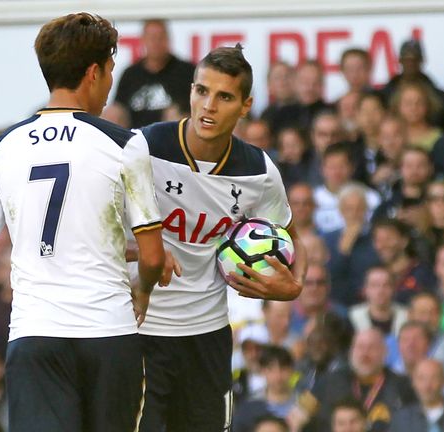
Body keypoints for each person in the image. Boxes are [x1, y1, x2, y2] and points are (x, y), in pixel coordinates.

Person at [0, 13, 165, 432]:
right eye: (109, 72)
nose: (109, 84)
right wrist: (141, 290)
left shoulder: (0, 148)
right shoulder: (124, 144)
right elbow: (153, 256)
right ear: (93, 72)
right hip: (109, 333)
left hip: (36, 336)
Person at [133, 44, 307, 431]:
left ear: (246, 105)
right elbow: (96, 226)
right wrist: (140, 249)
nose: (208, 105)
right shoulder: (144, 147)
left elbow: (291, 236)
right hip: (140, 329)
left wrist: (294, 286)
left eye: (224, 96)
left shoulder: (259, 171)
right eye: (201, 91)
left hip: (208, 335)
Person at [112, 18, 195, 128]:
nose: (156, 42)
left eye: (160, 37)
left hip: (170, 135)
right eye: (152, 38)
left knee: (175, 115)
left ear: (168, 39)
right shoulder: (130, 74)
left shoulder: (186, 71)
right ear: (143, 40)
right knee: (112, 112)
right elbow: (118, 108)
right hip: (134, 135)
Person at [389, 358, 444, 432]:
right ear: (413, 382)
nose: (427, 386)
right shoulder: (401, 419)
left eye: (434, 378)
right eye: (421, 379)